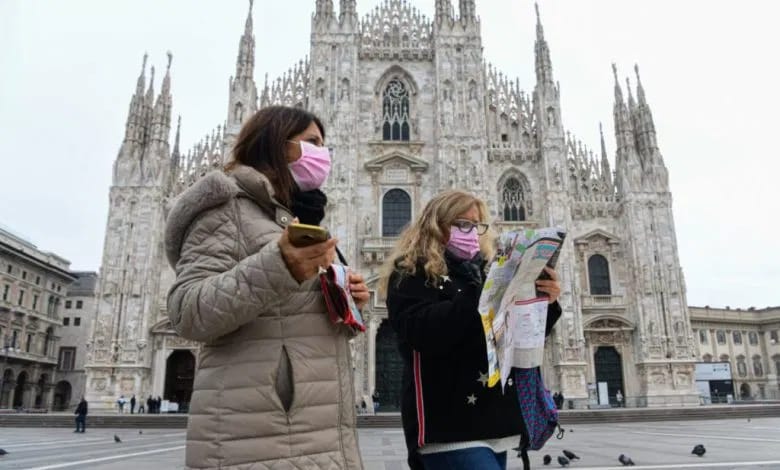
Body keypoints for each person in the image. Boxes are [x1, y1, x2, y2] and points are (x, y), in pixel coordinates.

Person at [165, 105, 368, 469]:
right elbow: (187, 311)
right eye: (313, 143)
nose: (323, 155)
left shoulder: (297, 217)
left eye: (325, 145)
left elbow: (292, 321)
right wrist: (279, 266)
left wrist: (348, 303)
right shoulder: (226, 208)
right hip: (256, 437)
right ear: (277, 144)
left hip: (320, 432)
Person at [381, 190, 562, 470]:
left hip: (492, 420)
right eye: (462, 224)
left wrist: (543, 301)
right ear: (436, 225)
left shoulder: (482, 269)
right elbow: (422, 331)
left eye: (477, 225)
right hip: (448, 425)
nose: (472, 232)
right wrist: (485, 293)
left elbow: (512, 335)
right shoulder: (409, 273)